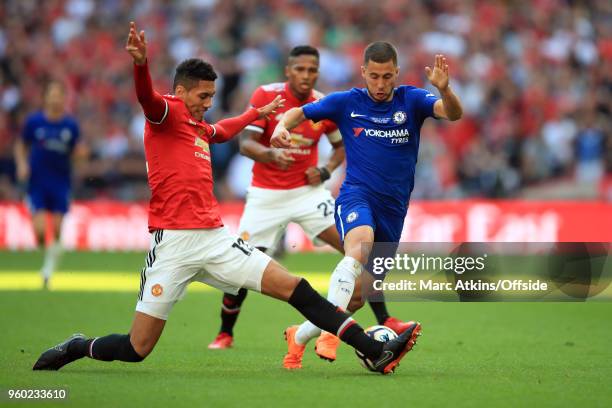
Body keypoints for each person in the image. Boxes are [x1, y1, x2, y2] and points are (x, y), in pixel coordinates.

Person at [32, 23, 420, 375]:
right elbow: (146, 97)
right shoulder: (164, 114)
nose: (207, 102)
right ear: (180, 91)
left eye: (212, 96)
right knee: (137, 348)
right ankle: (79, 347)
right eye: (202, 96)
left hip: (216, 238)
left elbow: (222, 130)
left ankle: (373, 349)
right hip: (174, 245)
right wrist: (141, 64)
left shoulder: (199, 126)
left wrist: (257, 112)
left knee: (295, 287)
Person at [208, 46, 414, 357]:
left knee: (360, 250)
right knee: (243, 264)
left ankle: (383, 318)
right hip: (265, 196)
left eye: (312, 70)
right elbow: (245, 144)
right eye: (300, 69)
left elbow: (341, 148)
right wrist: (269, 154)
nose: (306, 75)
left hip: (308, 195)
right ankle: (225, 332)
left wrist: (326, 169)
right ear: (288, 71)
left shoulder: (323, 104)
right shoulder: (267, 96)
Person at [271, 42, 462, 369]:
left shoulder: (412, 100)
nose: (380, 84)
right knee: (358, 249)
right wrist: (279, 127)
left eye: (387, 76)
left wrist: (445, 90)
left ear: (396, 74)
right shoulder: (347, 102)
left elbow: (453, 114)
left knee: (358, 298)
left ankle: (298, 336)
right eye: (373, 76)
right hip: (356, 196)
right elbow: (299, 112)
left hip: (394, 209)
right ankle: (332, 336)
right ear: (363, 73)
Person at [14, 81, 86, 289]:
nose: (55, 99)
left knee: (55, 228)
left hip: (60, 182)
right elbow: (21, 144)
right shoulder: (34, 122)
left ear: (64, 99)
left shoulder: (70, 125)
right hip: (37, 181)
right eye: (52, 95)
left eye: (59, 95)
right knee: (38, 232)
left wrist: (81, 157)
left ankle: (47, 270)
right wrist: (21, 164)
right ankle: (45, 256)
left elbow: (77, 152)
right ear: (45, 98)